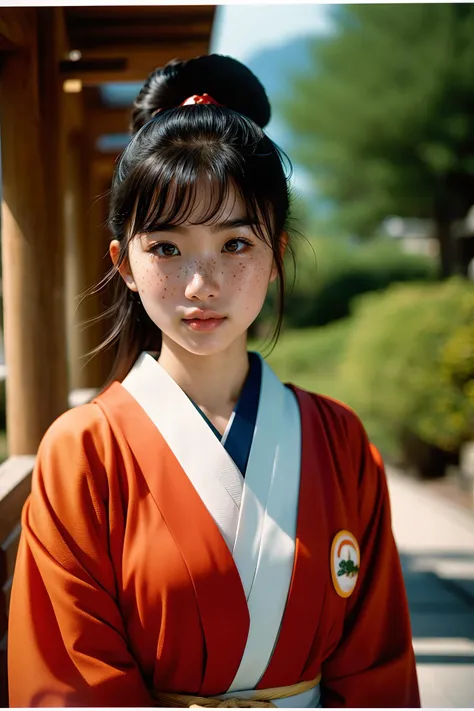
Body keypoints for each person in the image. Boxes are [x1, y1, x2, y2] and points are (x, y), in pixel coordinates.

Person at [8, 55, 420, 708]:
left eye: (235, 244)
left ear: (276, 254)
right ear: (124, 262)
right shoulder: (84, 451)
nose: (203, 285)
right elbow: (70, 683)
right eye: (167, 248)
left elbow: (379, 669)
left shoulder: (340, 440)